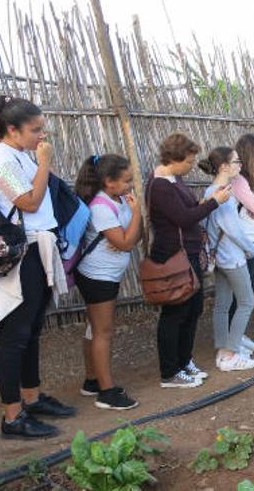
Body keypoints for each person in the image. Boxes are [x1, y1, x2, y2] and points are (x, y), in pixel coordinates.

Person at [0, 95, 76, 438]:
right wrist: (44, 161)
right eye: (35, 130)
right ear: (11, 129)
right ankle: (12, 418)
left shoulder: (19, 154)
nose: (41, 136)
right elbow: (29, 201)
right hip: (21, 252)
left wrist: (37, 159)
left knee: (32, 328)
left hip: (39, 246)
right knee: (15, 335)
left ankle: (32, 399)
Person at [149, 133, 229, 388]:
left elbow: (187, 209)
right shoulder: (160, 184)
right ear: (174, 158)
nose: (192, 165)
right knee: (176, 312)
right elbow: (183, 218)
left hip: (188, 253)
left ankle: (184, 361)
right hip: (174, 255)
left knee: (193, 309)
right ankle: (169, 372)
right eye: (189, 160)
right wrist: (214, 203)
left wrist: (204, 202)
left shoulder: (174, 178)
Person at [75, 153, 142, 410]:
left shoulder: (118, 198)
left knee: (94, 329)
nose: (130, 185)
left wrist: (127, 234)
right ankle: (107, 392)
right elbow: (126, 242)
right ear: (108, 181)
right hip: (97, 276)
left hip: (105, 274)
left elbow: (130, 238)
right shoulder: (101, 207)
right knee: (103, 331)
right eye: (125, 181)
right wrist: (135, 215)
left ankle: (92, 381)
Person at [200, 147, 254, 372]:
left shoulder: (210, 190)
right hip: (232, 257)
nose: (240, 165)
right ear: (224, 166)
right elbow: (233, 230)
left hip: (219, 257)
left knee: (222, 305)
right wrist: (250, 248)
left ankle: (224, 348)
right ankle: (231, 352)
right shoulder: (222, 193)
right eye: (236, 161)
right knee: (246, 302)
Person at [231, 133, 254, 352]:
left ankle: (239, 334)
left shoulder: (252, 179)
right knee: (240, 292)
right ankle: (232, 340)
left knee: (248, 288)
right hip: (243, 241)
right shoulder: (239, 180)